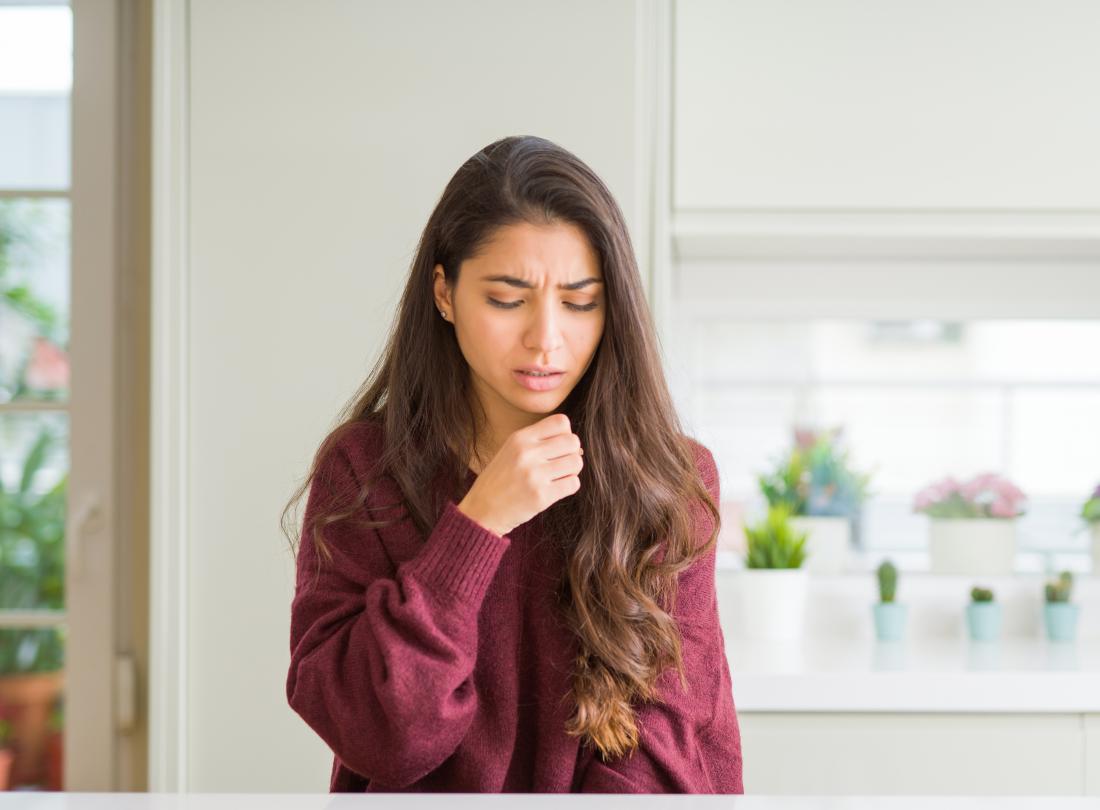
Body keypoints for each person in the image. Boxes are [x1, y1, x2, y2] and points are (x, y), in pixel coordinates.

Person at [282, 135, 744, 793]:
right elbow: (384, 741)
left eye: (580, 302)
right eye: (507, 298)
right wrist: (476, 526)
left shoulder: (669, 481)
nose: (546, 338)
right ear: (444, 294)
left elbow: (665, 760)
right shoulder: (364, 471)